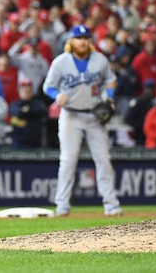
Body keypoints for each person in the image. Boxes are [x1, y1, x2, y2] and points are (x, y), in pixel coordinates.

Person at [42, 25, 123, 217]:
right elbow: (48, 86)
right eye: (79, 38)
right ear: (72, 41)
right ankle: (62, 204)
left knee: (103, 159)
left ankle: (111, 203)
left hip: (95, 115)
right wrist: (57, 95)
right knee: (68, 160)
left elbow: (110, 80)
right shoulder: (61, 62)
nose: (83, 41)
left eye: (86, 37)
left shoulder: (100, 60)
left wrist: (110, 96)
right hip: (70, 115)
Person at [9, 78, 49, 148]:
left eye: (29, 91)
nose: (27, 93)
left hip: (35, 141)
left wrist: (28, 111)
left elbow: (43, 111)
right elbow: (17, 112)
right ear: (20, 92)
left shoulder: (38, 103)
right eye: (24, 91)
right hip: (19, 141)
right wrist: (28, 113)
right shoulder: (15, 104)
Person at [124, 78, 156, 146]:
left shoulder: (154, 104)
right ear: (144, 89)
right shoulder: (137, 102)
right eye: (149, 88)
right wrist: (140, 126)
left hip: (151, 136)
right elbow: (128, 118)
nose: (150, 91)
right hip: (139, 135)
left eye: (152, 89)